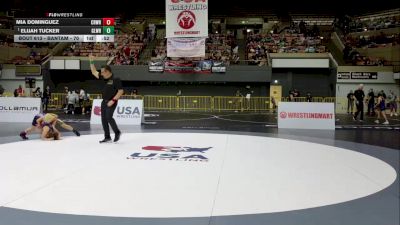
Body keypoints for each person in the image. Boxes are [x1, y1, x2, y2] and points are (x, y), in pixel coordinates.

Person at [89, 55, 123, 143]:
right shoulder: (102, 77)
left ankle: (117, 132)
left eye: (103, 72)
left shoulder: (116, 79)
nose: (101, 73)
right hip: (104, 102)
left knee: (109, 117)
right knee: (103, 119)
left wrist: (113, 100)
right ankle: (107, 137)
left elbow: (120, 91)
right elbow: (93, 72)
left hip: (112, 101)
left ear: (108, 72)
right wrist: (91, 61)